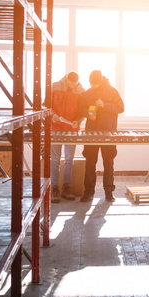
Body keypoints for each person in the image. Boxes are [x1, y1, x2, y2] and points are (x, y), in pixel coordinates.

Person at [79, 70, 124, 202]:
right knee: (90, 163)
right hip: (91, 132)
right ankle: (88, 193)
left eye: (95, 84)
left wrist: (104, 105)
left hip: (108, 132)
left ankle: (109, 192)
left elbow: (120, 107)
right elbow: (80, 108)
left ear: (101, 81)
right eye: (91, 84)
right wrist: (88, 112)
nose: (92, 86)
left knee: (108, 163)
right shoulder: (87, 93)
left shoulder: (112, 91)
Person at [45, 71, 85, 203]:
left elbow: (83, 110)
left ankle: (66, 188)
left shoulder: (81, 91)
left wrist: (78, 121)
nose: (72, 85)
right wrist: (52, 115)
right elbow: (46, 105)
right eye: (70, 82)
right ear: (66, 78)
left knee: (69, 159)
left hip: (72, 129)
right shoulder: (55, 86)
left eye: (75, 83)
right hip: (55, 127)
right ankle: (54, 189)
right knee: (55, 159)